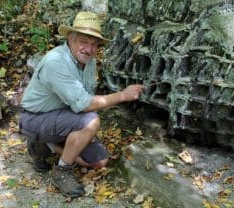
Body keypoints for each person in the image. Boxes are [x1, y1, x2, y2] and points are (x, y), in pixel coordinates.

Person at [19, 11, 145, 198]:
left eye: (94, 44)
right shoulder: (56, 62)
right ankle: (61, 171)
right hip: (34, 119)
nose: (89, 48)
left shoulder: (89, 61)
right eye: (83, 41)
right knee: (91, 121)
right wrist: (123, 95)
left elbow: (84, 97)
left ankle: (47, 147)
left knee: (100, 161)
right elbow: (85, 105)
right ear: (70, 38)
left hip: (62, 116)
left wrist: (85, 133)